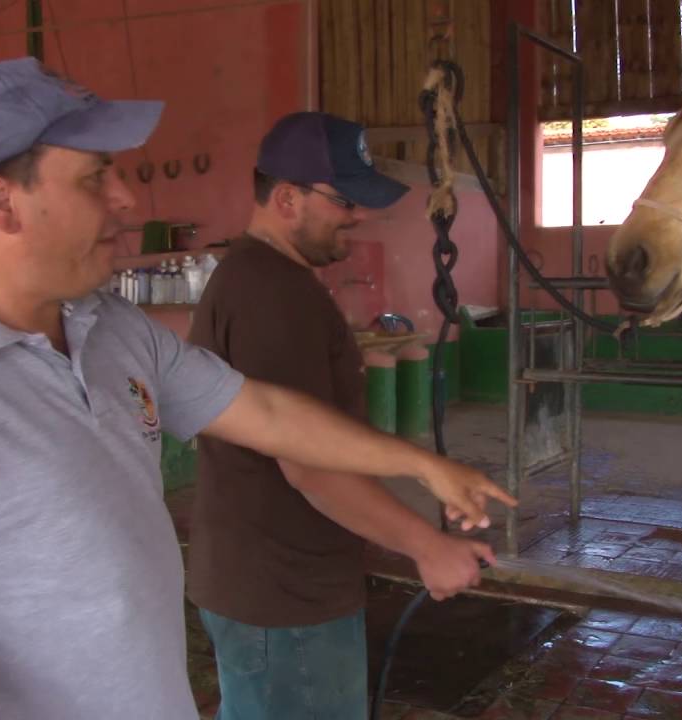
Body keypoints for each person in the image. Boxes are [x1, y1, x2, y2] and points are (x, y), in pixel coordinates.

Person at [0, 60, 514, 720]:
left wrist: (421, 464)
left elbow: (264, 411)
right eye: (95, 179)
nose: (125, 199)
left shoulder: (111, 326)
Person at [187, 112, 501, 720]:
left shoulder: (264, 279)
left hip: (267, 583)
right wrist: (426, 546)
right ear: (285, 197)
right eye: (343, 201)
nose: (357, 217)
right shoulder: (273, 293)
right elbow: (308, 466)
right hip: (284, 593)